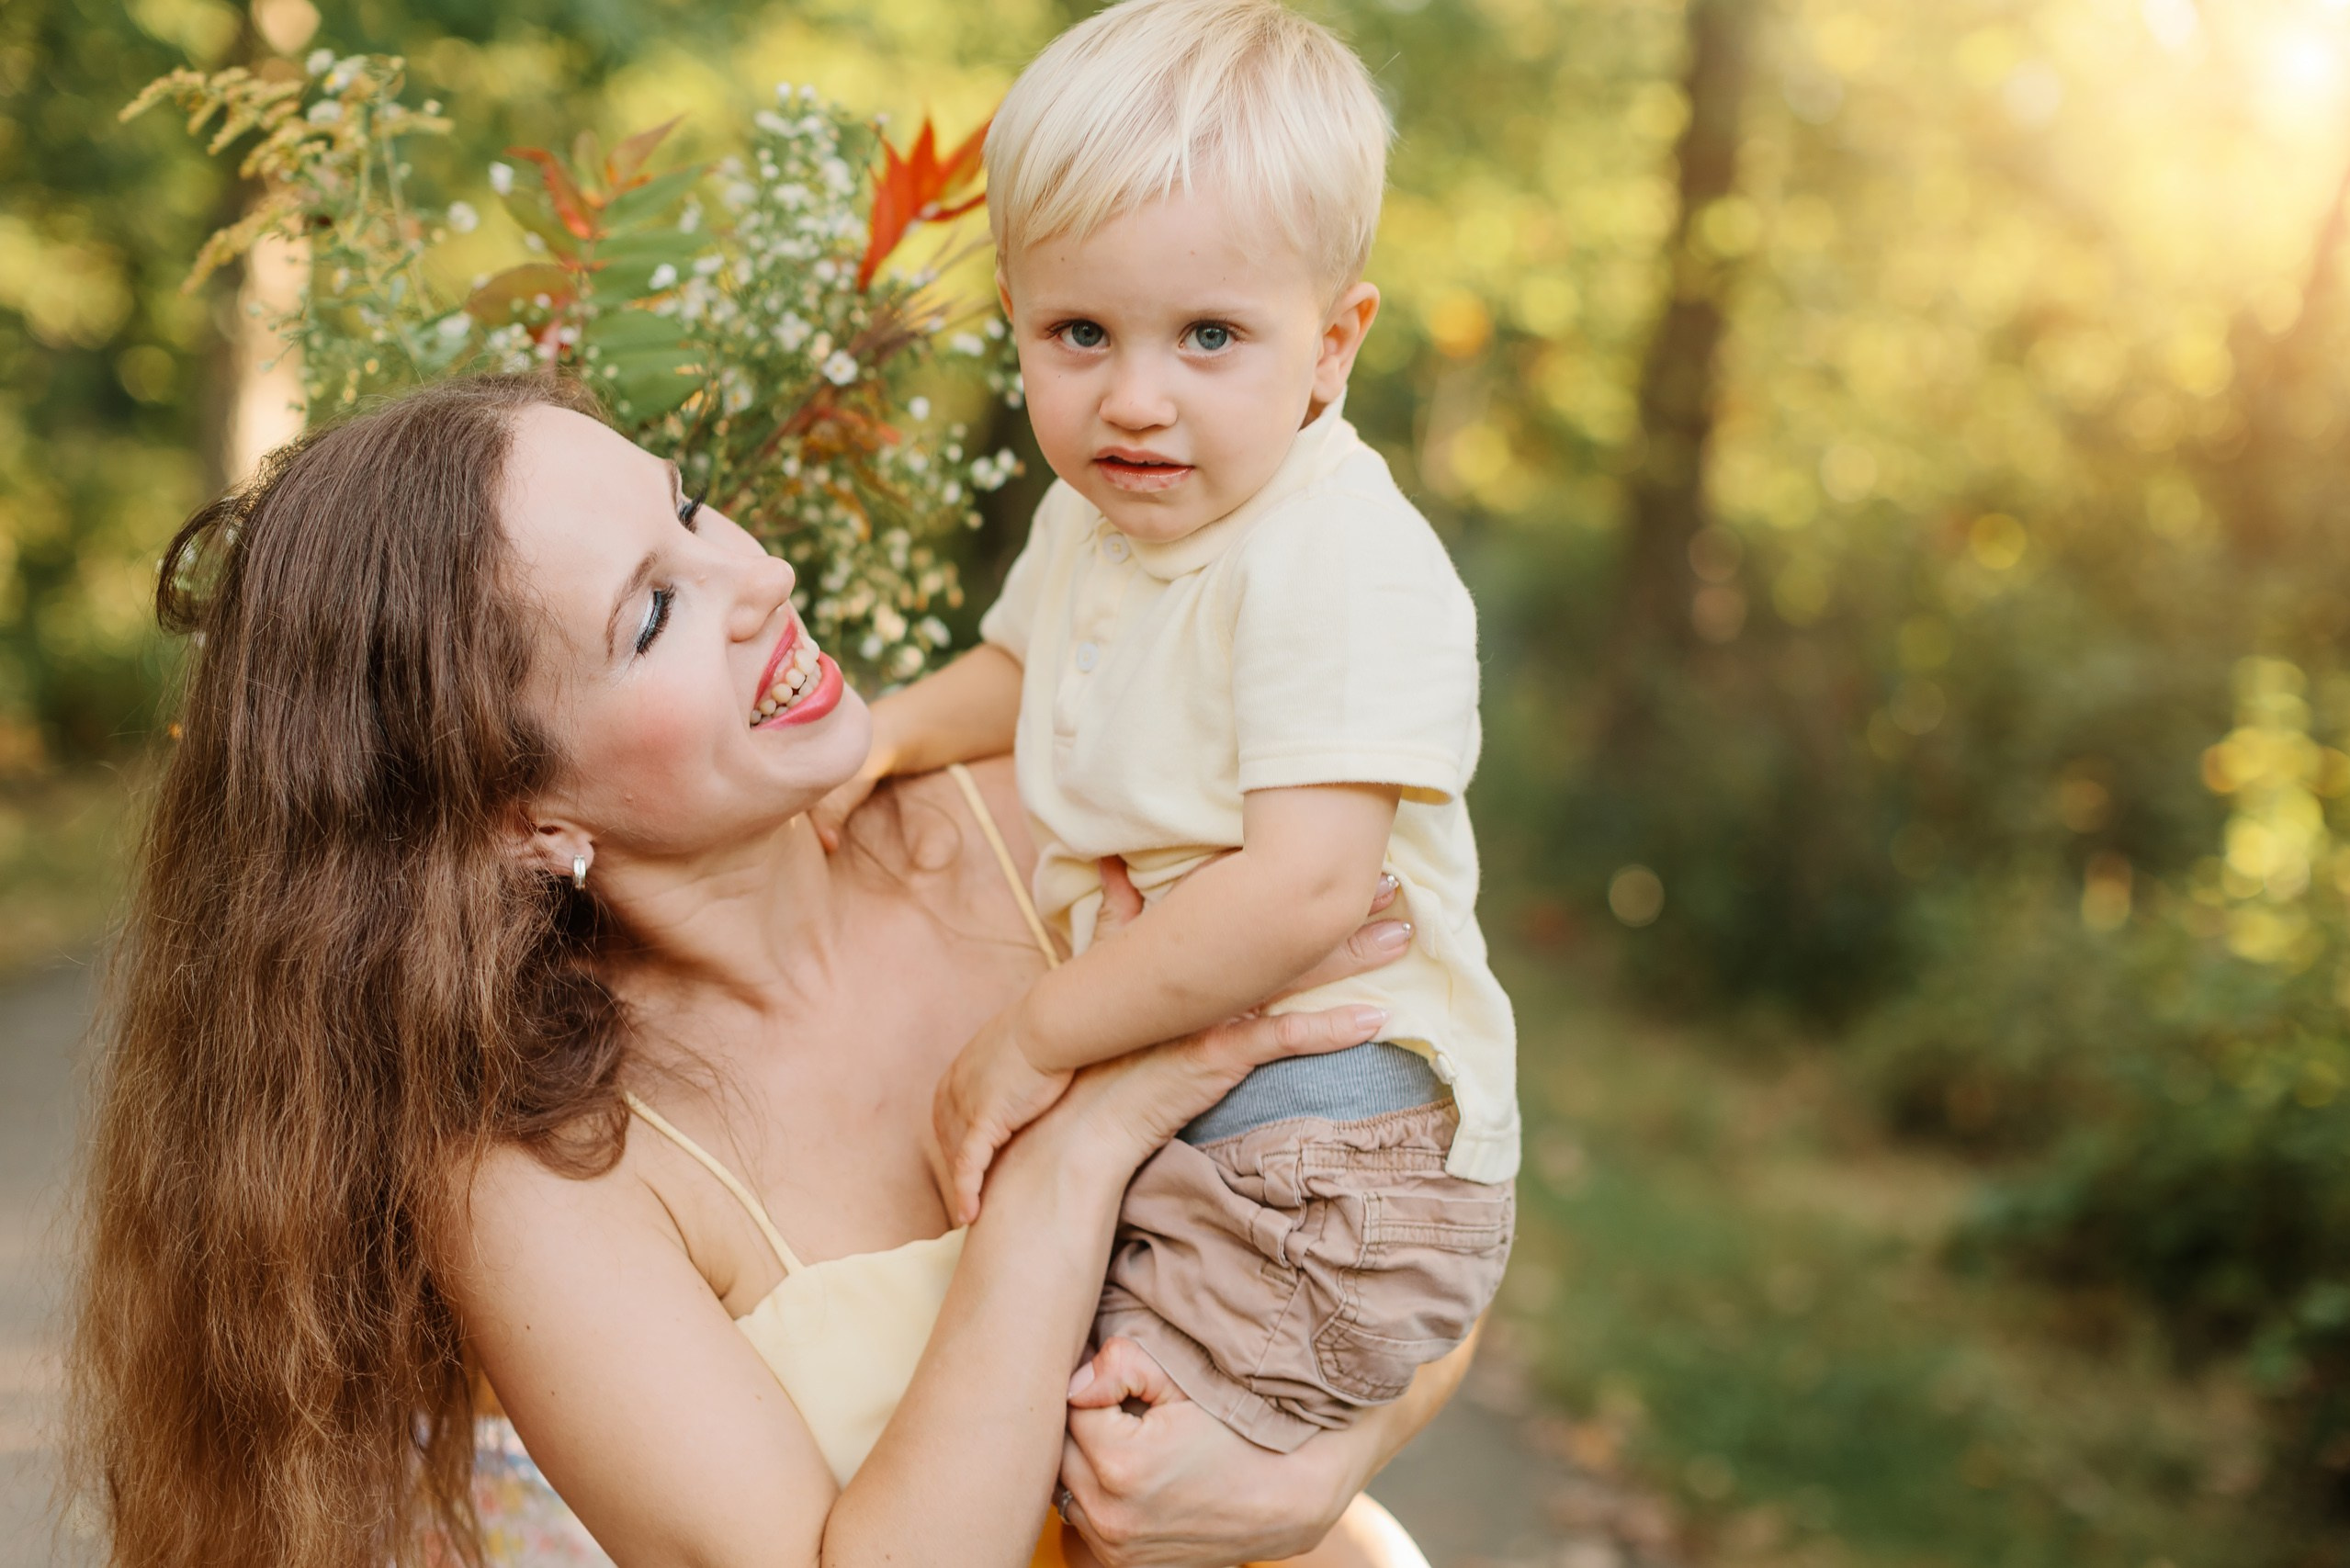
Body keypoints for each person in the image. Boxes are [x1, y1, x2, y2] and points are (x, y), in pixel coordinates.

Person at [64, 375, 1467, 1567]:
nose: (759, 578)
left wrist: (1310, 1476)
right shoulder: (544, 1174)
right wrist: (1075, 1143)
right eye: (652, 615)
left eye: (687, 511)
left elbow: (1440, 1190)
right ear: (522, 815)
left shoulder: (1062, 808)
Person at [815, 0, 1519, 1459]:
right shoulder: (1103, 517)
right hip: (1208, 1095)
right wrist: (881, 735)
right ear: (1016, 310)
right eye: (1081, 332)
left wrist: (1031, 1036)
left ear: (1332, 344)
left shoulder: (1335, 557)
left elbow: (1307, 885)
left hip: (1333, 1135)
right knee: (1021, 1417)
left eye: (1211, 336)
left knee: (1128, 1463)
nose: (1136, 400)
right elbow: (1024, 669)